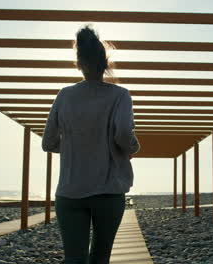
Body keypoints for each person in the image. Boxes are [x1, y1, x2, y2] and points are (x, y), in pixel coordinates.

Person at [42, 25, 140, 264]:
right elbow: (124, 135)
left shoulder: (64, 95)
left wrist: (76, 146)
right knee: (100, 257)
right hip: (109, 191)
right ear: (105, 64)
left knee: (74, 260)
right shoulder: (120, 95)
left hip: (70, 191)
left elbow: (48, 142)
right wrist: (133, 148)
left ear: (78, 63)